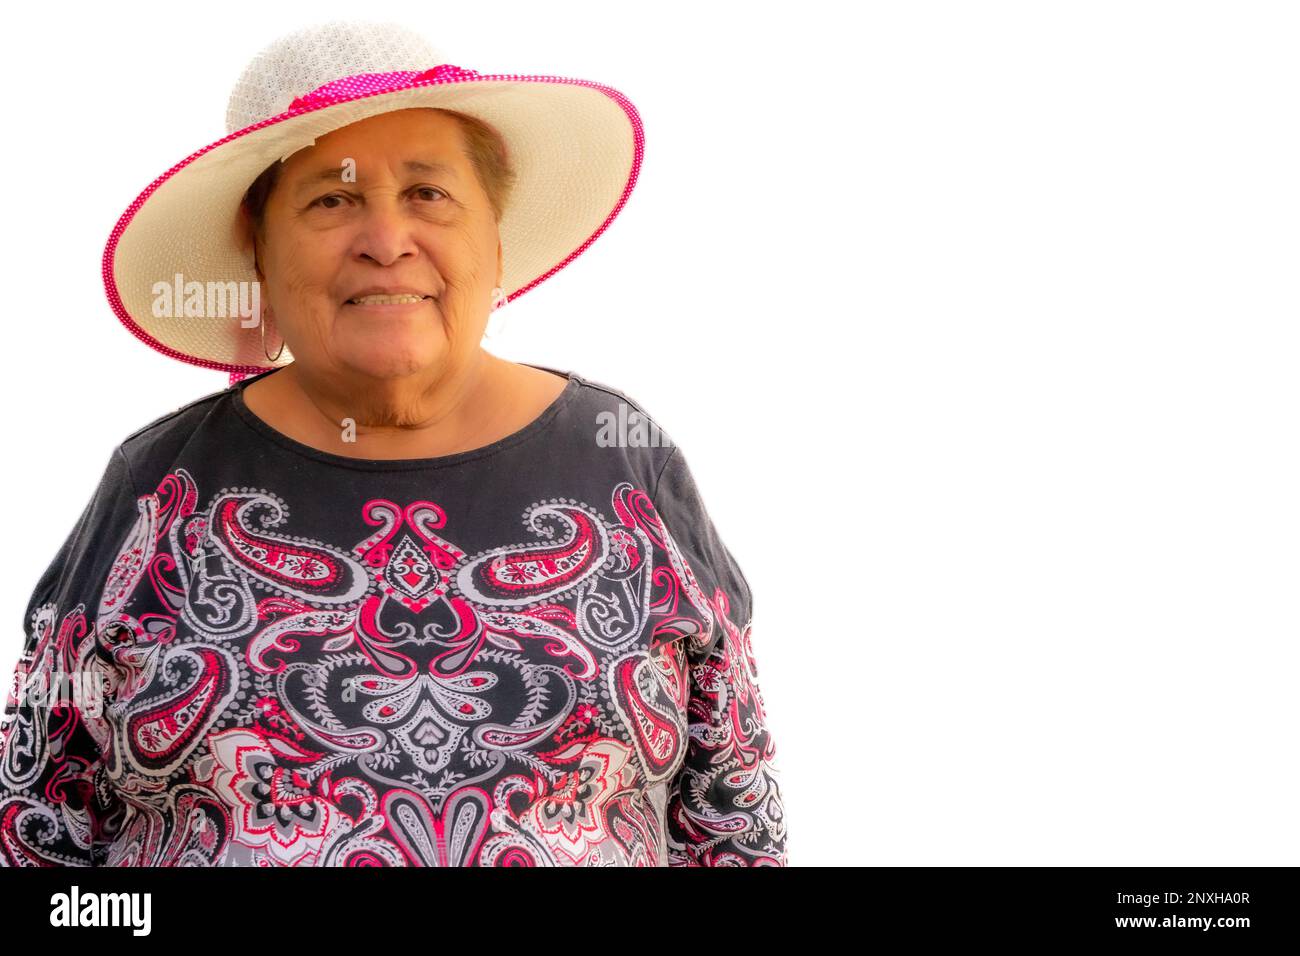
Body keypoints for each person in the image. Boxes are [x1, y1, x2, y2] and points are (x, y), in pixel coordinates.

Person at [0, 20, 787, 867]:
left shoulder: (629, 464)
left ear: (494, 243)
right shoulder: (155, 488)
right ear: (257, 256)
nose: (385, 241)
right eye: (330, 200)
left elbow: (733, 827)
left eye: (428, 193)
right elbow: (36, 833)